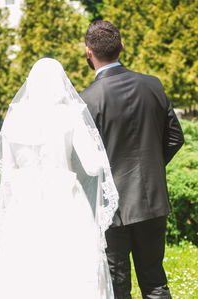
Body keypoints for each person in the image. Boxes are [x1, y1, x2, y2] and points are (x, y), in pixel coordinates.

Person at [80, 20, 184, 299]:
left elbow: (85, 162)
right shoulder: (152, 84)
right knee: (155, 281)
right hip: (153, 200)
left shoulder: (87, 100)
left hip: (112, 209)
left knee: (117, 285)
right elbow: (175, 138)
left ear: (88, 52)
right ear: (122, 46)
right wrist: (151, 168)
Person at [0, 58, 119, 299]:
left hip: (22, 203)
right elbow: (94, 167)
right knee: (70, 274)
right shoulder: (70, 115)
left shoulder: (15, 118)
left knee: (25, 274)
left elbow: (7, 172)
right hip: (63, 198)